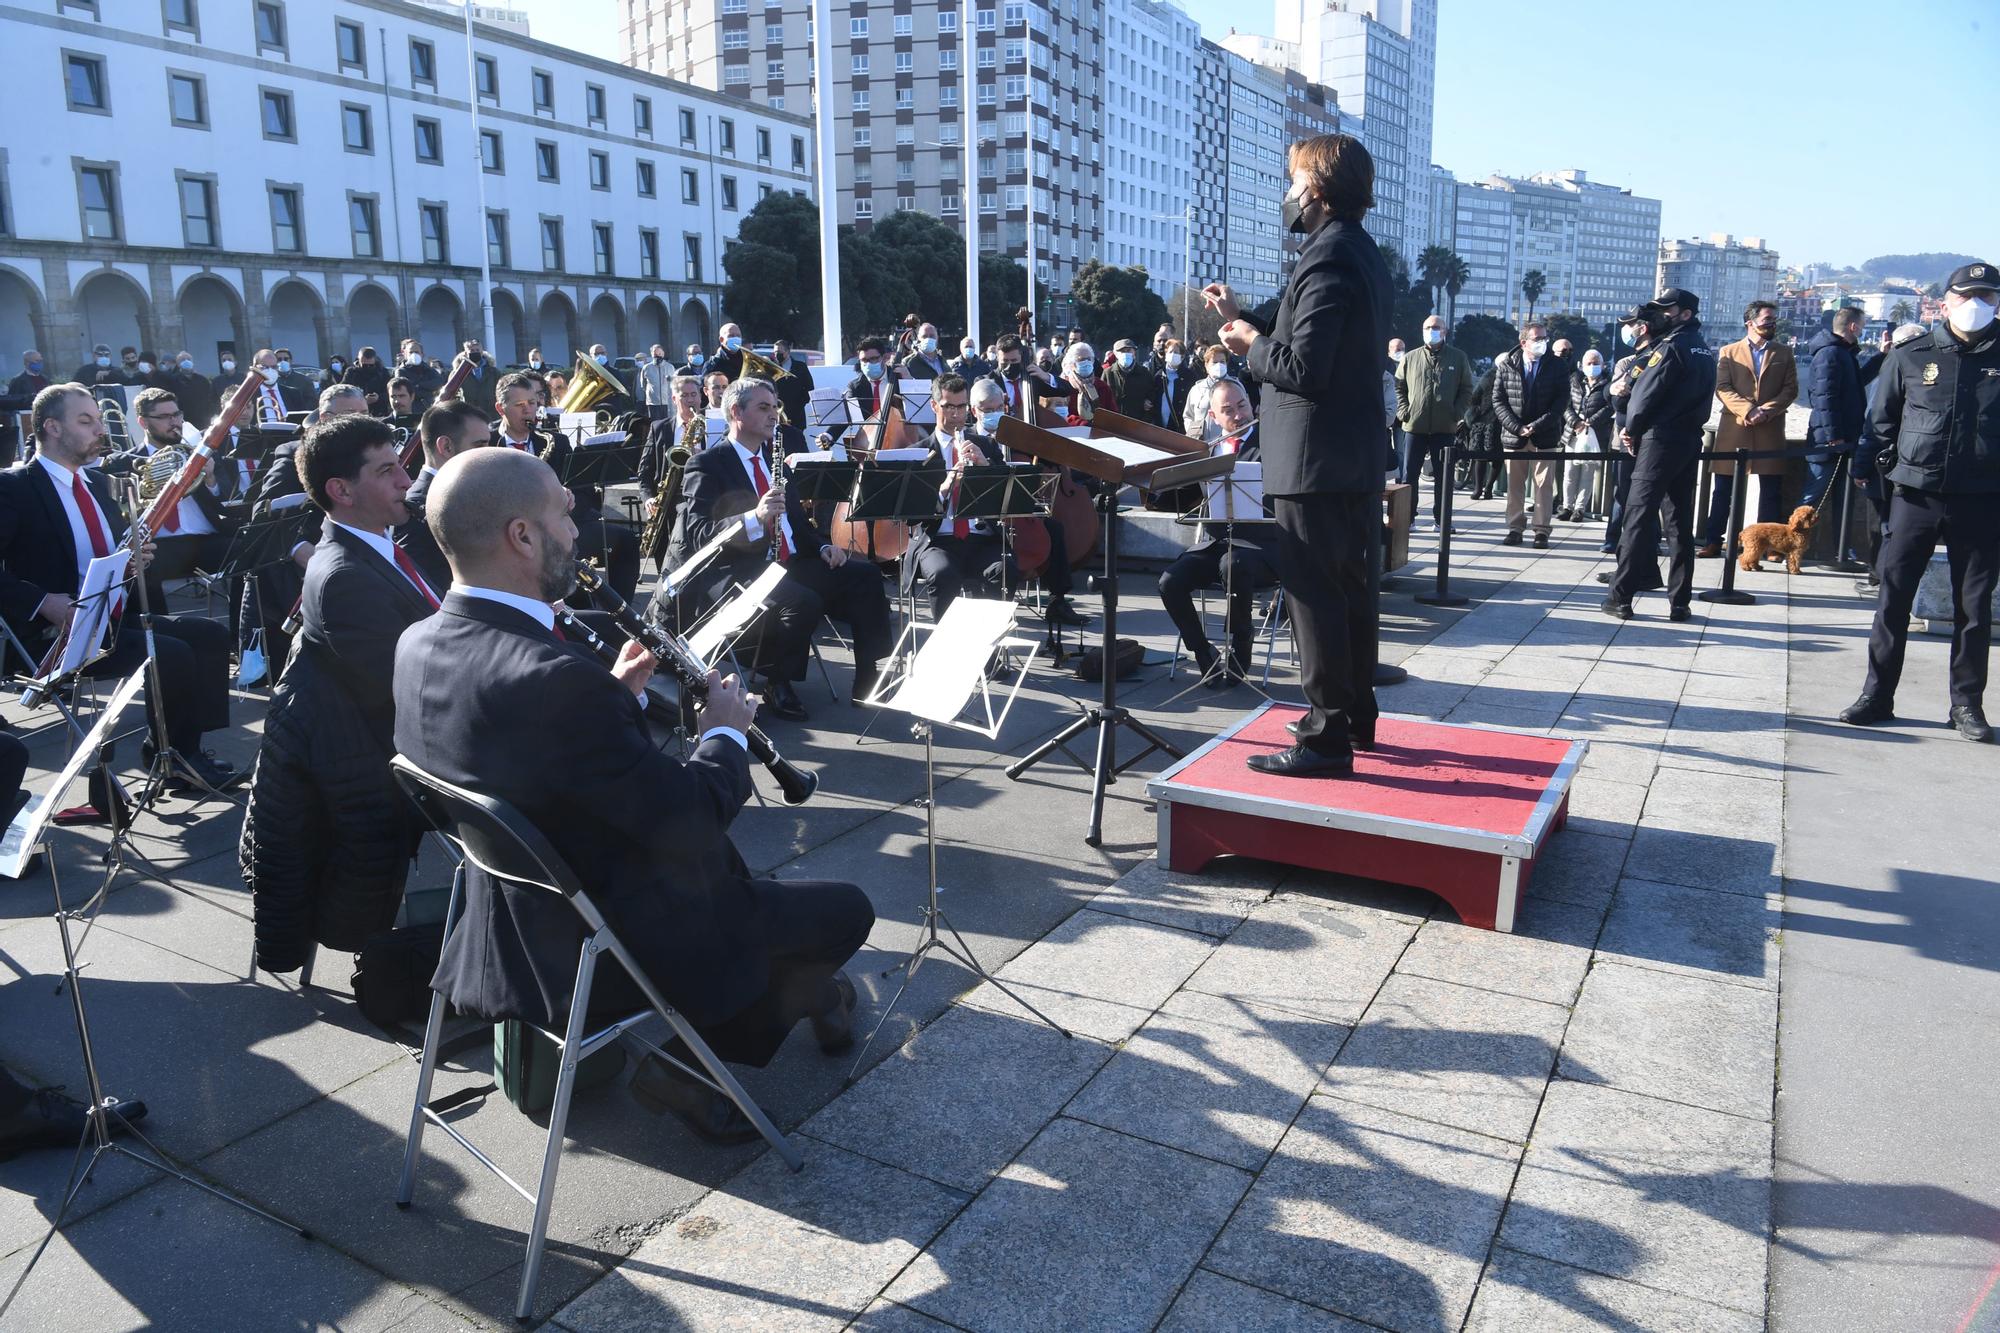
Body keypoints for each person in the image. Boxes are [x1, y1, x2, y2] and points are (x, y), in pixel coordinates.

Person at [397, 447, 871, 1141]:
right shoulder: (556, 680)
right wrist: (726, 735)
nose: (577, 527)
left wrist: (615, 701)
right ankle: (688, 1069)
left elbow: (522, 754)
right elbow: (689, 820)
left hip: (503, 919)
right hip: (596, 946)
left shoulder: (419, 641)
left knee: (763, 903)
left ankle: (813, 994)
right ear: (521, 536)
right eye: (564, 510)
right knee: (844, 910)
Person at [1209, 131, 1391, 776]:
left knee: (1316, 595)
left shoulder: (1327, 256)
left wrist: (1248, 350)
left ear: (1315, 188)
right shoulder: (1357, 251)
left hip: (1314, 460)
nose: (1287, 194)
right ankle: (1353, 715)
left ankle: (1323, 738)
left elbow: (1302, 366)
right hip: (1348, 455)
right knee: (1349, 592)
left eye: (1293, 181)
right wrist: (1245, 319)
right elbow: (1306, 334)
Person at [241, 414, 436, 973]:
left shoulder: (381, 547)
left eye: (402, 465)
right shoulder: (346, 575)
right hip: (381, 769)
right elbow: (411, 694)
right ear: (341, 491)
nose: (407, 480)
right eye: (388, 470)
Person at [0, 386, 238, 799]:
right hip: (56, 636)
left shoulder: (99, 482)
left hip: (110, 619)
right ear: (52, 427)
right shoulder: (14, 487)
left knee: (211, 636)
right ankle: (174, 759)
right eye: (86, 421)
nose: (100, 430)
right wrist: (43, 603)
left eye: (98, 419)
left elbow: (109, 555)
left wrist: (134, 559)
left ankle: (181, 750)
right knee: (171, 653)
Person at [666, 378, 892, 720]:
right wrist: (753, 517)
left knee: (865, 575)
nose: (774, 415)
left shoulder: (777, 461)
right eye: (763, 408)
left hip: (789, 561)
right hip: (740, 568)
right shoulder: (707, 465)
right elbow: (699, 535)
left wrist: (824, 547)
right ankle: (777, 680)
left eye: (774, 407)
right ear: (735, 412)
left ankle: (869, 679)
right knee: (803, 600)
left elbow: (798, 526)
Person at [1840, 262, 2000, 743]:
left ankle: (1966, 704)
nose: (1977, 304)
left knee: (1974, 609)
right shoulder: (1913, 354)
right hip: (1915, 493)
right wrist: (1866, 468)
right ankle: (1877, 695)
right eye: (1967, 295)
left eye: (1988, 296)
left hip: (1982, 497)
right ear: (1945, 301)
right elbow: (1881, 419)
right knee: (1893, 597)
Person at [1602, 289, 1717, 622]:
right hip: (1688, 441)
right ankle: (1679, 602)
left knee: (1637, 517)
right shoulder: (1704, 350)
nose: (1662, 315)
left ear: (1685, 314)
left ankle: (1620, 597)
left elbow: (1642, 398)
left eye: (1668, 310)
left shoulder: (1669, 348)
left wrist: (1631, 429)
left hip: (1659, 442)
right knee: (1680, 525)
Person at [1158, 378, 1282, 687]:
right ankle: (1203, 653)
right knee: (1169, 581)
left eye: (1241, 406)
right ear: (1213, 417)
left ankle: (1242, 641)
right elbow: (1172, 500)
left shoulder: (1274, 447)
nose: (1238, 416)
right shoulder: (1209, 453)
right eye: (1227, 410)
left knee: (1234, 564)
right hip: (1217, 544)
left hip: (1262, 549)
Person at [495, 372, 641, 603]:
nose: (528, 411)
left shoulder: (555, 441)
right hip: (512, 534)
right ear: (500, 409)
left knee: (626, 541)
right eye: (519, 405)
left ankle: (620, 615)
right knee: (569, 578)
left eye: (532, 403)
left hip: (558, 527)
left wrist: (568, 498)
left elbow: (582, 490)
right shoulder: (489, 443)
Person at [119, 387, 240, 611]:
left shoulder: (201, 453)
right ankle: (161, 638)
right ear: (143, 422)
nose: (174, 422)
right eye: (164, 417)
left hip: (205, 540)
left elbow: (228, 503)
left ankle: (243, 634)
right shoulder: (126, 463)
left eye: (177, 415)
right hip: (159, 546)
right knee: (137, 570)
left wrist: (211, 478)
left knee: (252, 552)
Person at [1701, 300, 1801, 554]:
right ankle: (1715, 540)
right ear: (1750, 323)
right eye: (1767, 319)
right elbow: (1722, 388)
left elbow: (1790, 389)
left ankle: (1772, 547)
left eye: (1774, 320)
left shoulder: (1784, 353)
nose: (1772, 324)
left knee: (1771, 491)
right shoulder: (1728, 351)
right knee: (1723, 490)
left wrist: (1766, 410)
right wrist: (1747, 410)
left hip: (1769, 427)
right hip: (1734, 428)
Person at [1491, 320, 1569, 548]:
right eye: (1538, 339)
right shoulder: (1507, 364)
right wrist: (1517, 427)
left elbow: (1560, 401)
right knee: (1515, 485)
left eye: (1545, 338)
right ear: (1524, 342)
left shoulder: (1557, 365)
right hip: (1514, 436)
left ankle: (1541, 530)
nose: (1543, 343)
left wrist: (1537, 425)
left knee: (1544, 486)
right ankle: (1515, 528)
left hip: (1544, 435)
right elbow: (1498, 400)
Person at [399, 399, 491, 589]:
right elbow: (418, 587)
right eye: (480, 445)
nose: (489, 454)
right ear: (446, 447)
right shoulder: (415, 507)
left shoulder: (467, 491)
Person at [1394, 314, 1475, 529]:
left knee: (1444, 477)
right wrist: (1404, 411)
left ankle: (1442, 520)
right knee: (1409, 476)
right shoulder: (1410, 358)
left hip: (1444, 427)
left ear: (1445, 331)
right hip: (1414, 426)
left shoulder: (1458, 358)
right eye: (1428, 327)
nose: (1432, 331)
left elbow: (1467, 389)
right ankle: (1408, 518)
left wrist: (1457, 413)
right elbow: (1399, 386)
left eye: (1436, 327)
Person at [1801, 306, 1877, 517]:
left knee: (1840, 502)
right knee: (1811, 499)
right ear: (1853, 326)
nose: (1862, 331)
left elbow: (1855, 383)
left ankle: (1841, 547)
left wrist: (1881, 357)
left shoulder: (1840, 352)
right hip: (1828, 442)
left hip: (1841, 439)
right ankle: (1789, 546)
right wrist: (1835, 437)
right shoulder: (1831, 353)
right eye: (1862, 326)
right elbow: (1825, 398)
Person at [1560, 349, 1614, 522]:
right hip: (1573, 432)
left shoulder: (1609, 383)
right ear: (1582, 366)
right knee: (1570, 471)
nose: (1592, 366)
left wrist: (1591, 421)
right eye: (1589, 363)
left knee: (1587, 473)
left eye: (1596, 363)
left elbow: (1610, 406)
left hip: (1595, 434)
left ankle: (1580, 509)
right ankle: (1567, 506)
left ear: (1603, 364)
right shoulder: (1574, 381)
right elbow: (1565, 404)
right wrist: (1575, 422)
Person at [845, 336, 903, 431]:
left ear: (884, 358)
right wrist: (829, 435)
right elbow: (847, 414)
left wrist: (908, 380)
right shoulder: (855, 386)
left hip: (898, 434)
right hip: (869, 438)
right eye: (864, 360)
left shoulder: (899, 377)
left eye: (873, 359)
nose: (868, 364)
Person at [1183, 345, 1235, 441]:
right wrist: (1193, 434)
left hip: (1228, 444)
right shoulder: (1196, 389)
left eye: (1222, 362)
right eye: (1215, 362)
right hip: (1201, 444)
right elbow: (1188, 416)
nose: (1219, 365)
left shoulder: (1236, 387)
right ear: (1206, 365)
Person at [1058, 343, 1117, 425]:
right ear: (1071, 363)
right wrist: (1083, 424)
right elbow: (1060, 416)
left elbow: (1113, 415)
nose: (1086, 363)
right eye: (1081, 360)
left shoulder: (1102, 386)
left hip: (1099, 433)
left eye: (1089, 359)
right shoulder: (1063, 386)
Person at [1103, 339, 1158, 425]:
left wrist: (1145, 420)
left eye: (1129, 350)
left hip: (1138, 423)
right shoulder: (1108, 373)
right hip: (1113, 423)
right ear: (1115, 354)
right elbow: (1102, 396)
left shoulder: (1145, 373)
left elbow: (1151, 396)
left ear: (1134, 352)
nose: (1125, 354)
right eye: (1122, 351)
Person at [160, 351, 218, 430]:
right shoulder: (172, 381)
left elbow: (210, 399)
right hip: (184, 423)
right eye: (183, 360)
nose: (186, 361)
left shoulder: (202, 380)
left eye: (188, 359)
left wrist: (210, 415)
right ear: (178, 363)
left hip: (203, 422)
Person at [769, 337, 813, 430]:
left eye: (780, 353)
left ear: (788, 352)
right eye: (775, 352)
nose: (777, 355)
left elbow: (810, 388)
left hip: (797, 416)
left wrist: (799, 404)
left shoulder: (801, 367)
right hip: (777, 416)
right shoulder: (772, 368)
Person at [452, 340, 499, 419]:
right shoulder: (458, 373)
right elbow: (452, 393)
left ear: (482, 351)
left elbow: (499, 390)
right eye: (472, 350)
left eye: (477, 350)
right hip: (468, 413)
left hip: (491, 414)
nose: (475, 352)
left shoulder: (493, 371)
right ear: (466, 353)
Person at [1155, 339, 1194, 431]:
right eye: (1170, 352)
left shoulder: (1189, 376)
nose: (1172, 354)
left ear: (1182, 356)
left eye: (1176, 352)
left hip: (1179, 426)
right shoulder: (1159, 375)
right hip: (1159, 425)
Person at [343, 346, 392, 417]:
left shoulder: (383, 373)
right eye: (365, 365)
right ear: (359, 361)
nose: (368, 368)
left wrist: (378, 397)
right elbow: (344, 391)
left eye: (371, 365)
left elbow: (390, 392)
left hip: (379, 411)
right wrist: (362, 399)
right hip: (357, 411)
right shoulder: (351, 373)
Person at [398, 339, 445, 413]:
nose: (414, 355)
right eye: (411, 352)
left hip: (427, 410)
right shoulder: (401, 371)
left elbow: (439, 382)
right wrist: (429, 391)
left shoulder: (428, 369)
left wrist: (419, 385)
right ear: (405, 354)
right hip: (408, 411)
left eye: (416, 352)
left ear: (422, 354)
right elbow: (407, 391)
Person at [639, 343, 677, 421]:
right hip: (653, 403)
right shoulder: (646, 368)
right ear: (652, 354)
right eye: (655, 353)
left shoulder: (670, 367)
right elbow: (643, 385)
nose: (657, 355)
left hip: (667, 402)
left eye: (659, 353)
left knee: (667, 424)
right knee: (655, 424)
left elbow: (674, 384)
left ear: (663, 354)